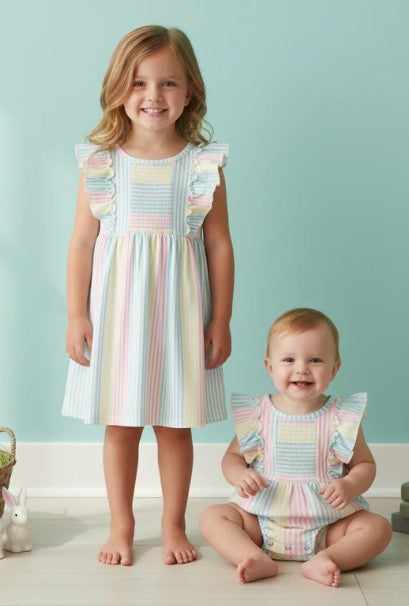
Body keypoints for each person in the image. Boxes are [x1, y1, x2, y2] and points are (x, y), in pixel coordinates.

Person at [62, 25, 234, 567]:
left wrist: (221, 320)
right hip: (117, 316)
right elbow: (82, 243)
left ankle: (172, 524)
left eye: (168, 83)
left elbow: (219, 245)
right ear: (118, 88)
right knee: (120, 425)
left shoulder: (202, 166)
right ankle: (122, 525)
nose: (153, 95)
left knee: (174, 425)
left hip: (181, 316)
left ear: (190, 90)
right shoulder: (102, 164)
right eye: (139, 83)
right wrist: (75, 315)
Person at [200, 308, 391, 586]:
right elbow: (232, 457)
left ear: (334, 368)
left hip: (328, 525)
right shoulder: (258, 414)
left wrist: (350, 484)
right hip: (261, 521)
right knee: (213, 517)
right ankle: (251, 555)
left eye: (315, 360)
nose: (301, 368)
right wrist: (239, 474)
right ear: (270, 367)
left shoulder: (341, 417)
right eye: (289, 359)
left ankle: (328, 558)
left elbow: (365, 464)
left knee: (378, 528)